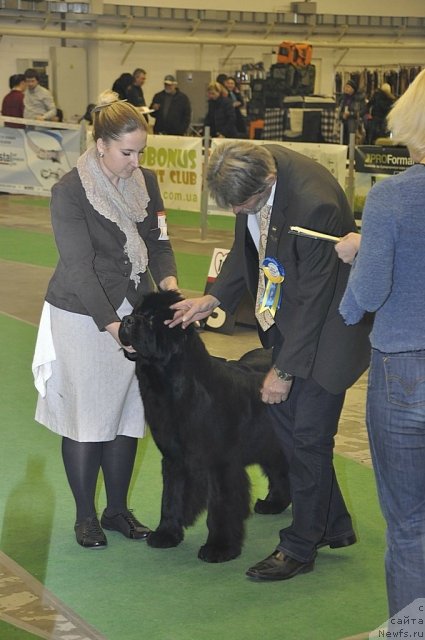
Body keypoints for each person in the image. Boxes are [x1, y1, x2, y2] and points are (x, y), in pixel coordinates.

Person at [168, 141, 372, 581]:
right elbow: (248, 248)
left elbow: (317, 300)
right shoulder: (253, 167)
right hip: (288, 323)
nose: (241, 210)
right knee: (290, 429)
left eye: (246, 204)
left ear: (269, 182)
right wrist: (214, 297)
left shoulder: (314, 205)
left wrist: (282, 372)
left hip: (329, 332)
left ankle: (300, 545)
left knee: (308, 438)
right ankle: (332, 524)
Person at [32, 90, 178, 549]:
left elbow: (158, 241)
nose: (135, 162)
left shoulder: (146, 182)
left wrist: (169, 287)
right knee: (87, 418)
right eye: (126, 152)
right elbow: (78, 267)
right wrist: (113, 326)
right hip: (82, 314)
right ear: (101, 145)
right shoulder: (69, 192)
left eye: (140, 152)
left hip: (136, 310)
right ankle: (85, 517)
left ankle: (117, 510)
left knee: (127, 414)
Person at [339, 68, 425, 619]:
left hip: (403, 372)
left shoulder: (392, 196)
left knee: (410, 526)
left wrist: (356, 252)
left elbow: (368, 293)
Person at [337, 79, 366, 145]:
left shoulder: (359, 99)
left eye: (348, 87)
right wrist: (342, 115)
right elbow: (339, 110)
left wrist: (351, 114)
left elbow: (363, 111)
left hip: (354, 122)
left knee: (351, 123)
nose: (346, 88)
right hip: (343, 122)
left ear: (353, 89)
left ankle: (351, 146)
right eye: (345, 86)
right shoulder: (342, 99)